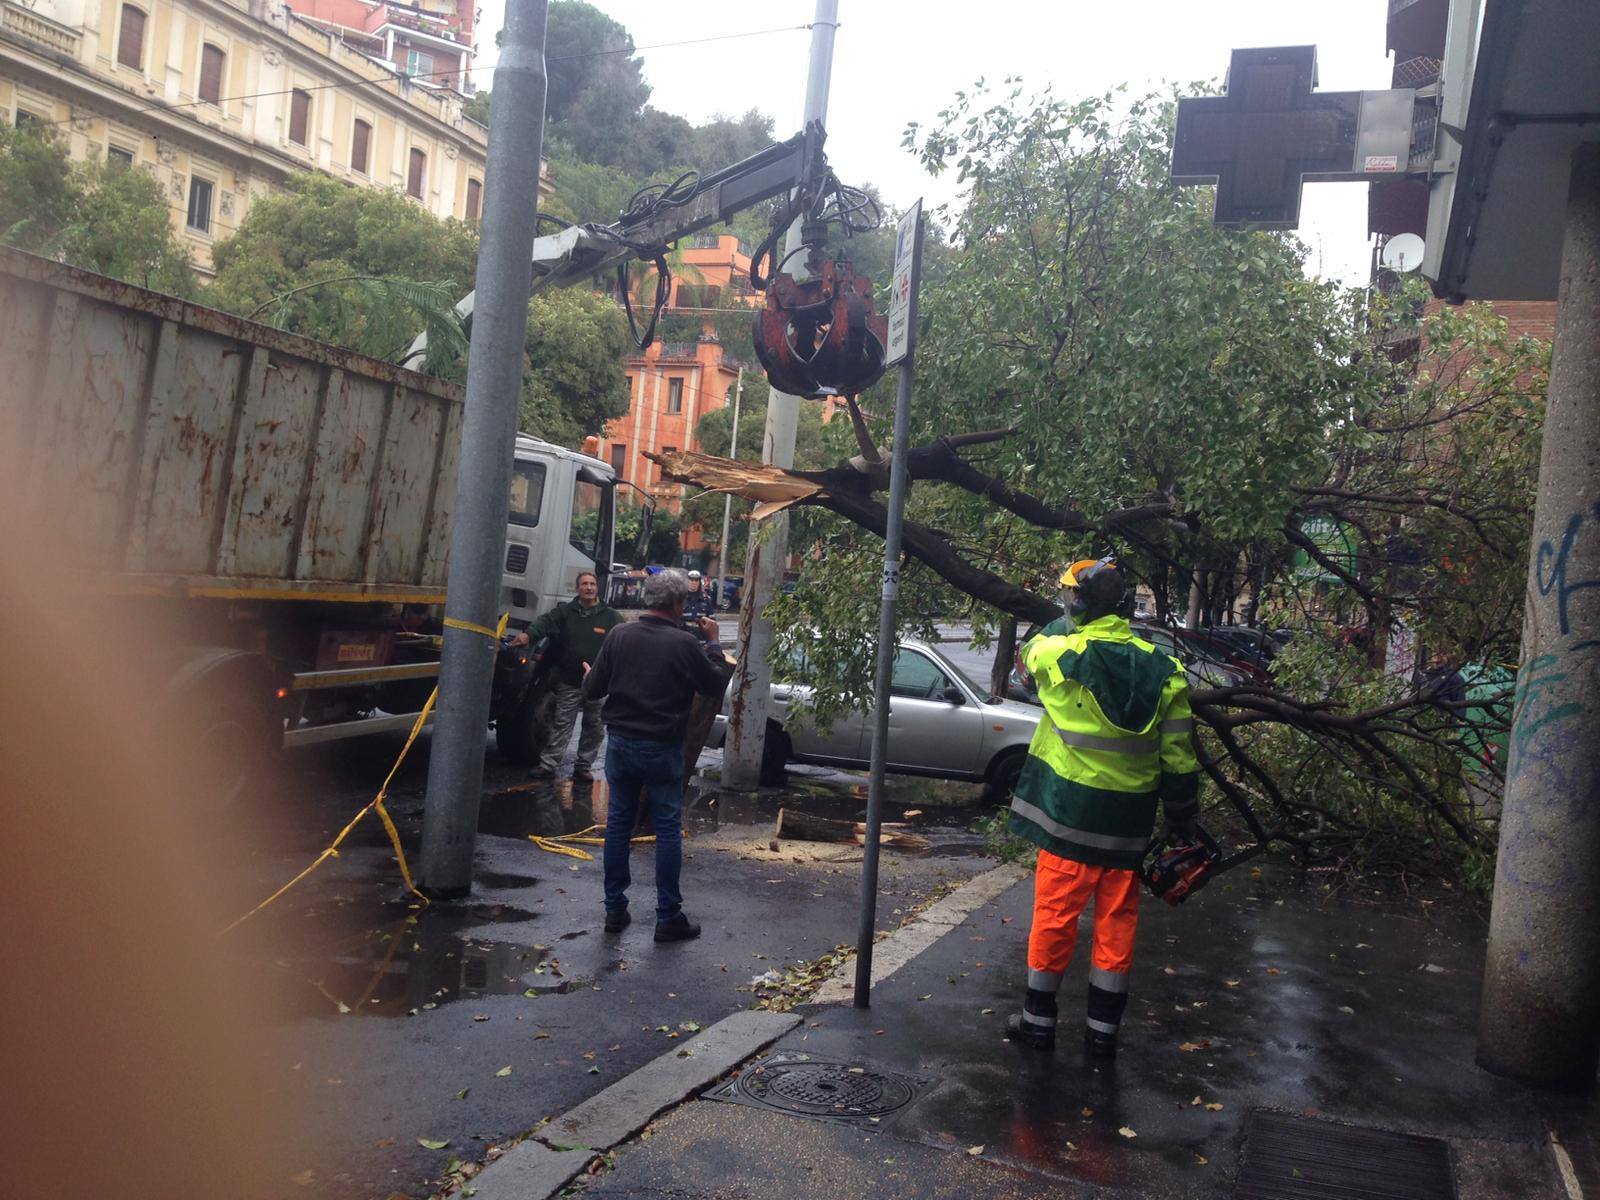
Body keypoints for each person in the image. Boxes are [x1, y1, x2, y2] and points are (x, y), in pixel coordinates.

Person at [1005, 558, 1200, 1058]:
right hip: (1127, 827)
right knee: (1117, 925)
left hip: (1070, 818)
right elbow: (1178, 757)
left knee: (1054, 917)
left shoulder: (1064, 655)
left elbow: (1030, 656)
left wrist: (1060, 623)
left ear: (1079, 605)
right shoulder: (1167, 672)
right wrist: (1181, 816)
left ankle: (1038, 1023)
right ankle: (1102, 1034)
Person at [581, 568, 733, 941]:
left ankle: (614, 911)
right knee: (666, 829)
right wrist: (714, 642)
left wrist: (588, 674)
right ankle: (668, 917)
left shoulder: (619, 635)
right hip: (663, 747)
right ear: (680, 603)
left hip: (620, 743)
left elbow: (593, 688)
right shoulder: (683, 644)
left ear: (649, 598)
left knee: (619, 824)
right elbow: (714, 682)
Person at [513, 570, 621, 783]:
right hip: (569, 680)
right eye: (584, 584)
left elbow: (624, 640)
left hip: (598, 683)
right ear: (577, 588)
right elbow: (544, 621)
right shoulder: (566, 612)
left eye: (592, 584)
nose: (589, 588)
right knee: (562, 723)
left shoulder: (610, 616)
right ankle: (548, 765)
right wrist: (528, 634)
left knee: (595, 726)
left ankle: (583, 767)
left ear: (597, 588)